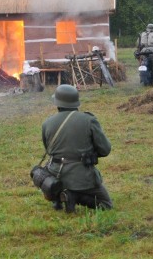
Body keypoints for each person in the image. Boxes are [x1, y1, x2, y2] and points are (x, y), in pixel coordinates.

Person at [41, 84, 112, 213]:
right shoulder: (89, 120)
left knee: (60, 183)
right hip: (81, 177)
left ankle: (60, 195)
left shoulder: (47, 123)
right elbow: (105, 149)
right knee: (105, 204)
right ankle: (74, 196)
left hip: (54, 175)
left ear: (57, 103)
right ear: (76, 103)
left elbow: (49, 149)